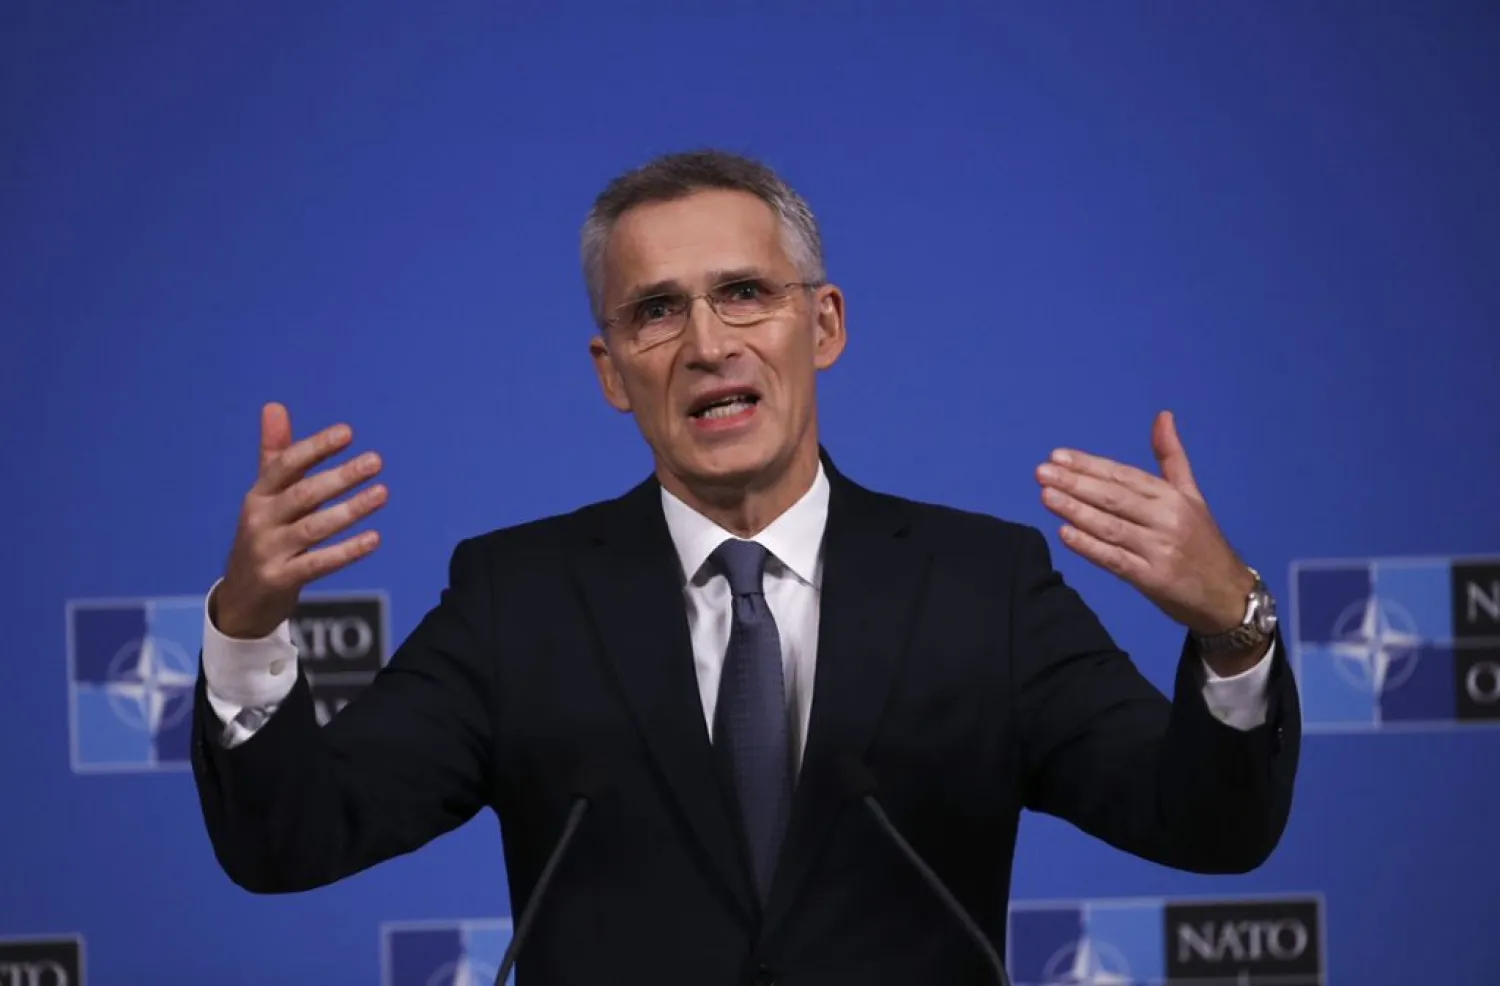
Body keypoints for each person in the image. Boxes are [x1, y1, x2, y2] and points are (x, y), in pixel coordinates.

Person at [190, 149, 1300, 985]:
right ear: (613, 370)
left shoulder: (984, 586)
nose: (708, 342)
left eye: (744, 293)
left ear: (822, 323)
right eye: (656, 311)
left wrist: (1233, 629)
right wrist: (245, 629)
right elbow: (292, 839)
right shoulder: (518, 598)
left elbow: (1207, 826)